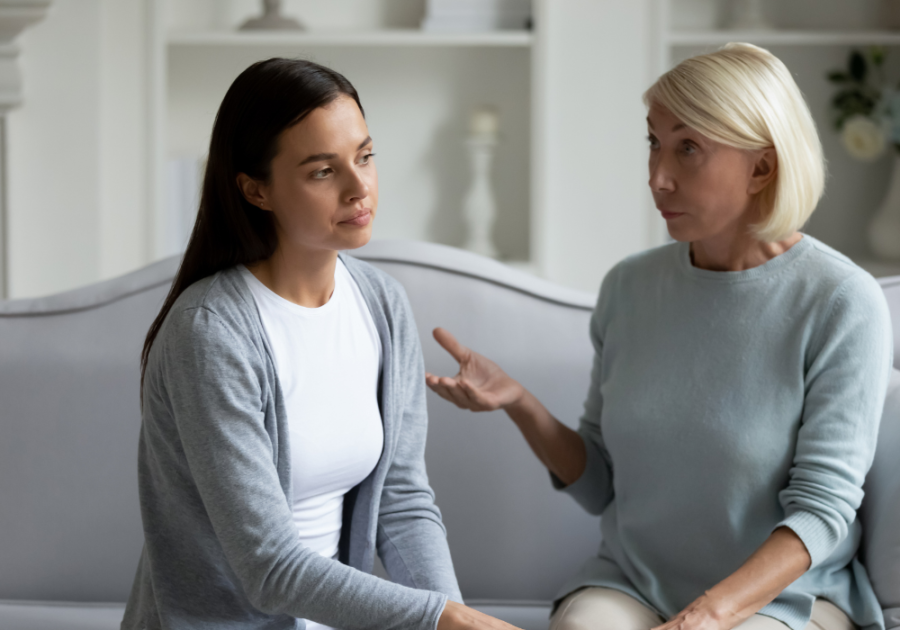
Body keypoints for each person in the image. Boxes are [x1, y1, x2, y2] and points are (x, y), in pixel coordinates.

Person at [426, 43, 892, 630]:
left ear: (763, 166)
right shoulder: (629, 288)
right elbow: (600, 485)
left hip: (787, 599)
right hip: (634, 582)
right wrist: (518, 402)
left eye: (688, 148)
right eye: (654, 142)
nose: (658, 177)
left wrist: (709, 614)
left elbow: (822, 512)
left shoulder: (841, 301)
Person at [122, 58, 518, 630]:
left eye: (365, 156)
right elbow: (268, 566)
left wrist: (453, 619)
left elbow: (402, 501)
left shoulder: (381, 304)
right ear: (257, 190)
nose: (360, 188)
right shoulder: (211, 333)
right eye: (322, 172)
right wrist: (444, 620)